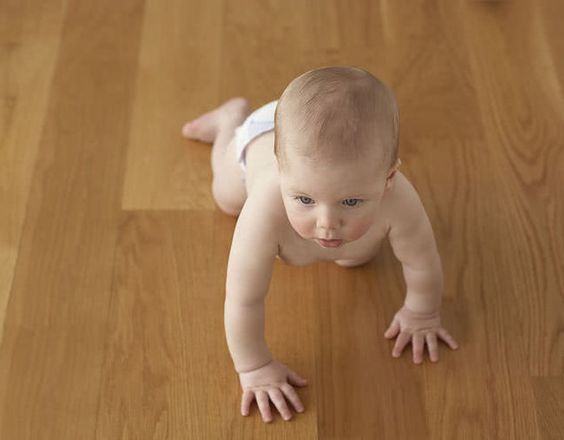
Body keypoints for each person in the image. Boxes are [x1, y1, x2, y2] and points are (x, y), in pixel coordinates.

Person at [181, 66, 459, 423]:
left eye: (351, 202)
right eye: (304, 200)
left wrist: (422, 312)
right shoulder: (264, 209)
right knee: (225, 198)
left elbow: (422, 261)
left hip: (304, 147)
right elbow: (243, 298)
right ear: (282, 173)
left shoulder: (400, 199)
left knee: (357, 255)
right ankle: (228, 122)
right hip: (261, 137)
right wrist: (254, 366)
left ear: (388, 179)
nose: (327, 223)